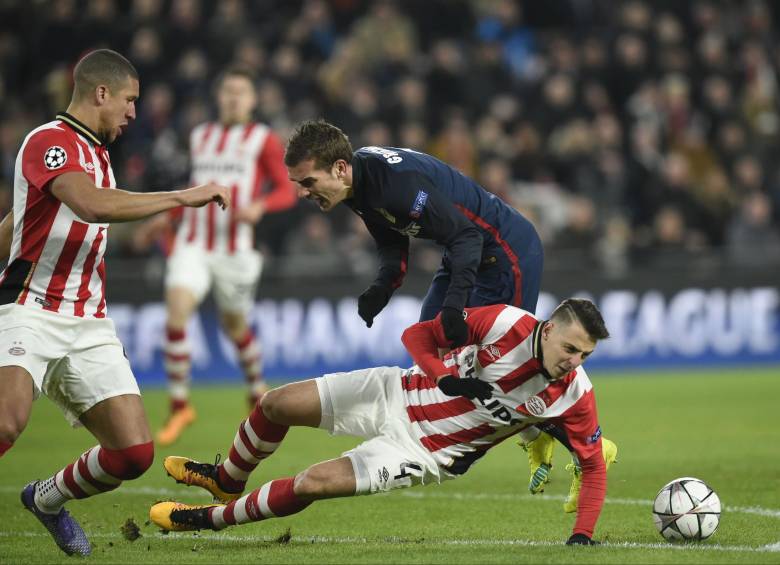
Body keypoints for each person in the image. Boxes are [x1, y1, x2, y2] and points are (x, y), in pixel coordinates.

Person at [282, 119, 615, 511]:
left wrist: (456, 307)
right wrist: (382, 287)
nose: (303, 193)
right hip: (462, 249)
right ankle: (534, 437)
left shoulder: (394, 184)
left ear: (338, 168)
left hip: (505, 253)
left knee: (510, 368)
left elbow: (468, 235)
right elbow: (393, 241)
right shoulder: (360, 183)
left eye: (306, 182)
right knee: (431, 353)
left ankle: (593, 450)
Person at [0, 49, 231, 556]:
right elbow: (90, 204)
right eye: (129, 100)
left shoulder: (99, 156)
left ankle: (45, 499)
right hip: (30, 307)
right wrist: (179, 196)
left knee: (133, 453)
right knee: (6, 420)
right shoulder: (50, 141)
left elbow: (25, 223)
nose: (133, 112)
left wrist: (143, 228)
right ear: (100, 93)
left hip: (89, 320)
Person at [150, 298, 611, 545]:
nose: (574, 362)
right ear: (548, 329)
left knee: (312, 482)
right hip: (397, 390)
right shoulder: (504, 323)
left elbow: (593, 466)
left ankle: (211, 519)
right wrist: (444, 377)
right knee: (276, 404)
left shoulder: (574, 394)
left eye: (584, 355)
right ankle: (228, 480)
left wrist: (582, 539)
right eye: (569, 349)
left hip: (425, 453)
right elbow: (418, 334)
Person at [134, 66, 297, 446]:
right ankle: (179, 406)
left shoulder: (264, 139)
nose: (233, 98)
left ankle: (257, 392)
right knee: (177, 308)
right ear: (219, 97)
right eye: (227, 91)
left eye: (241, 92)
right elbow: (196, 187)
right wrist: (166, 219)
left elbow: (287, 191)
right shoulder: (201, 135)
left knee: (235, 326)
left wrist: (259, 206)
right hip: (193, 242)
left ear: (253, 100)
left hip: (235, 250)